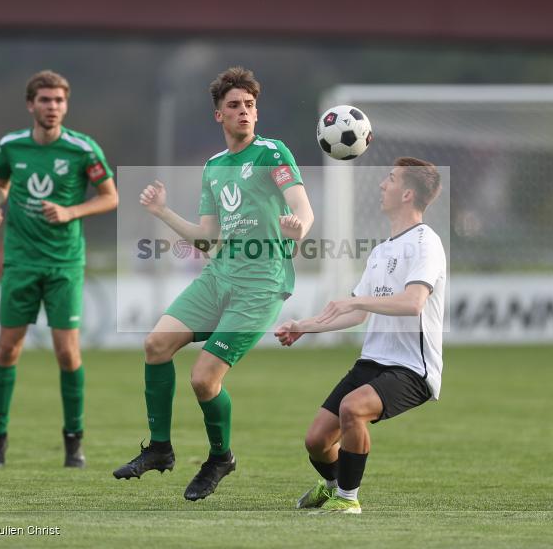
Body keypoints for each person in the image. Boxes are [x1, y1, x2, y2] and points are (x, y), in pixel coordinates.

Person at [113, 66, 314, 501]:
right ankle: (160, 449)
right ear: (218, 115)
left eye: (250, 105)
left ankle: (220, 457)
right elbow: (207, 238)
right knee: (155, 345)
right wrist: (164, 212)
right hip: (218, 276)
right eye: (234, 106)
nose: (244, 112)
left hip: (260, 285)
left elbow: (302, 208)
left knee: (204, 379)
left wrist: (297, 228)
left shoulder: (272, 153)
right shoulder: (215, 167)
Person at [275, 157, 445, 514]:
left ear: (408, 193)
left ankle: (348, 501)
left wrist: (361, 299)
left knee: (353, 409)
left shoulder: (426, 243)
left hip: (411, 368)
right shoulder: (382, 250)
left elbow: (413, 303)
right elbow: (354, 312)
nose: (383, 185)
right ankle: (332, 486)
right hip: (372, 362)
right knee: (317, 440)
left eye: (392, 179)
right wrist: (303, 326)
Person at [0, 70, 118, 467]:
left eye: (59, 101)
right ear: (31, 105)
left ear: (66, 105)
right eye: (45, 100)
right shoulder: (12, 146)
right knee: (7, 349)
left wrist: (71, 211)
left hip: (63, 264)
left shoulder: (83, 149)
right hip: (21, 261)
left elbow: (110, 197)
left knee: (67, 353)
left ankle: (73, 441)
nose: (53, 107)